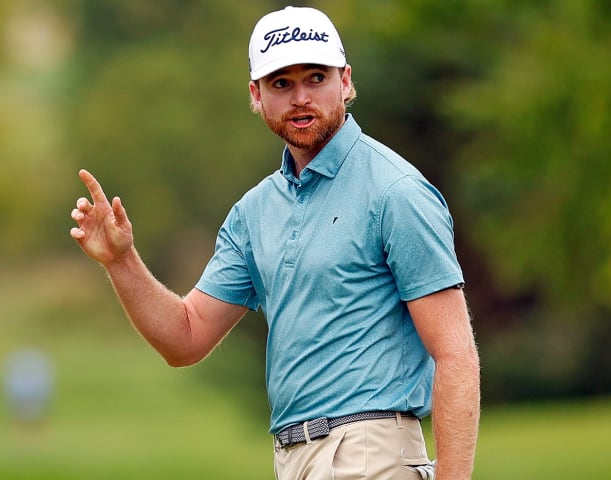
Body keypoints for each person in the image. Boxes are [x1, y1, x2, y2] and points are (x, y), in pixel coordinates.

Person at [70, 6, 479, 480]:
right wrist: (122, 262)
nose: (301, 97)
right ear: (256, 95)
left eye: (316, 77)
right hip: (292, 459)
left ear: (346, 81)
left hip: (370, 454)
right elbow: (185, 338)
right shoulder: (254, 212)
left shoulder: (396, 192)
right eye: (281, 83)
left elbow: (455, 354)